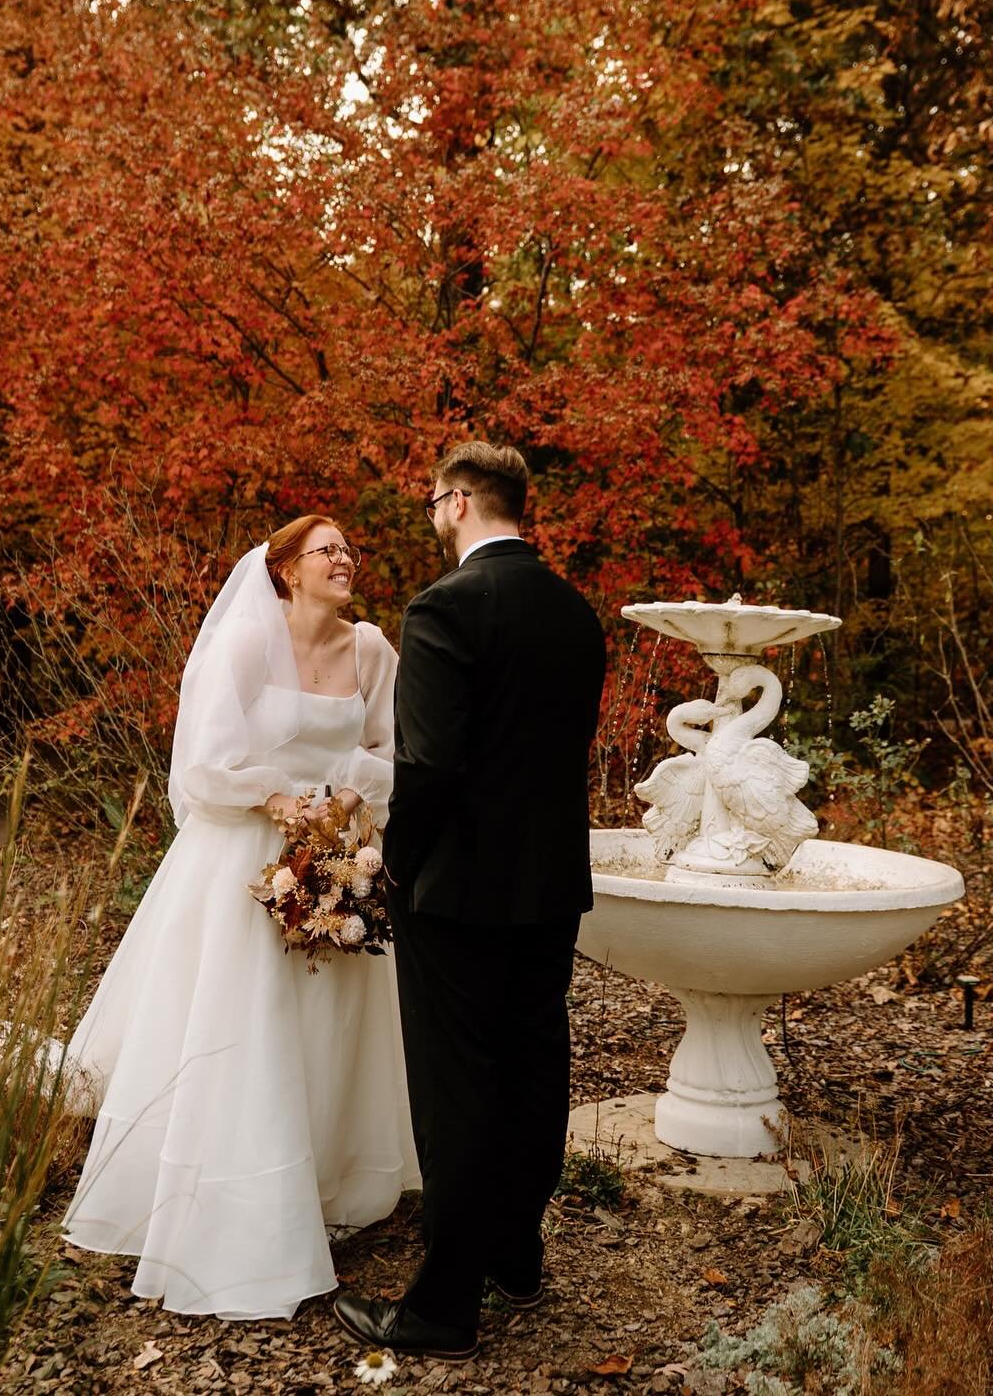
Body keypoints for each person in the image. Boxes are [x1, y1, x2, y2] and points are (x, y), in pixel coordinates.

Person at [60, 515, 418, 1320]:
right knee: (245, 1021)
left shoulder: (371, 650)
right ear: (286, 570)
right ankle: (232, 1201)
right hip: (242, 857)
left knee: (328, 1011)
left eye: (349, 551)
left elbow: (390, 747)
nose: (344, 560)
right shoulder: (244, 648)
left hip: (335, 851)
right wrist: (279, 799)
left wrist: (347, 802)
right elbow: (203, 765)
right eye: (327, 550)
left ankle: (322, 1177)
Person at [333, 442, 607, 1363]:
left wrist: (394, 864)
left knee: (456, 1087)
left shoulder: (445, 607)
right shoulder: (576, 612)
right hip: (550, 883)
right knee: (534, 1066)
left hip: (454, 889)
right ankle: (514, 1255)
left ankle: (443, 1308)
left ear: (455, 503)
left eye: (431, 501)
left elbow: (431, 765)